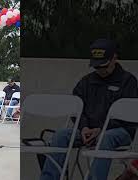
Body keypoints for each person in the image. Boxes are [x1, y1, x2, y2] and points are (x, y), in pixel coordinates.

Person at [40, 39, 138, 180]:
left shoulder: (128, 82)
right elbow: (76, 108)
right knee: (61, 134)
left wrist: (101, 129)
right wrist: (84, 127)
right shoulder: (86, 82)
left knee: (106, 137)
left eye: (103, 66)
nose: (100, 70)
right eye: (96, 67)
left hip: (118, 131)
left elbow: (130, 115)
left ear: (114, 58)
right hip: (87, 131)